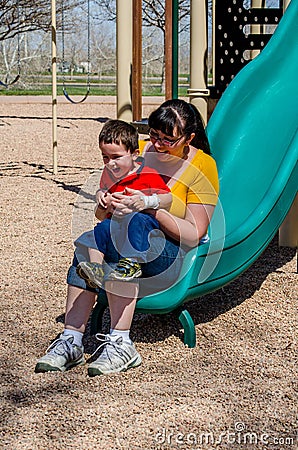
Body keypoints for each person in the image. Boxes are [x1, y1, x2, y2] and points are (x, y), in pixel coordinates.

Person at [35, 99, 219, 377]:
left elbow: (195, 233)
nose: (156, 144)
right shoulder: (139, 152)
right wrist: (107, 202)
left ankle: (122, 343)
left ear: (188, 138)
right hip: (128, 235)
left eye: (167, 140)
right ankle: (71, 341)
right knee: (90, 242)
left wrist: (149, 207)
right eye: (153, 134)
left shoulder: (203, 167)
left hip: (170, 251)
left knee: (129, 232)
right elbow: (103, 209)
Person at [75, 119, 172, 288]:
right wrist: (102, 197)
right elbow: (103, 190)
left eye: (116, 157)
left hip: (141, 219)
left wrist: (147, 201)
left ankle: (131, 262)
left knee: (137, 221)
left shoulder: (147, 173)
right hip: (117, 220)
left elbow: (167, 198)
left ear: (134, 154)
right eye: (105, 157)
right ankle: (96, 268)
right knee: (101, 229)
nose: (110, 163)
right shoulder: (108, 172)